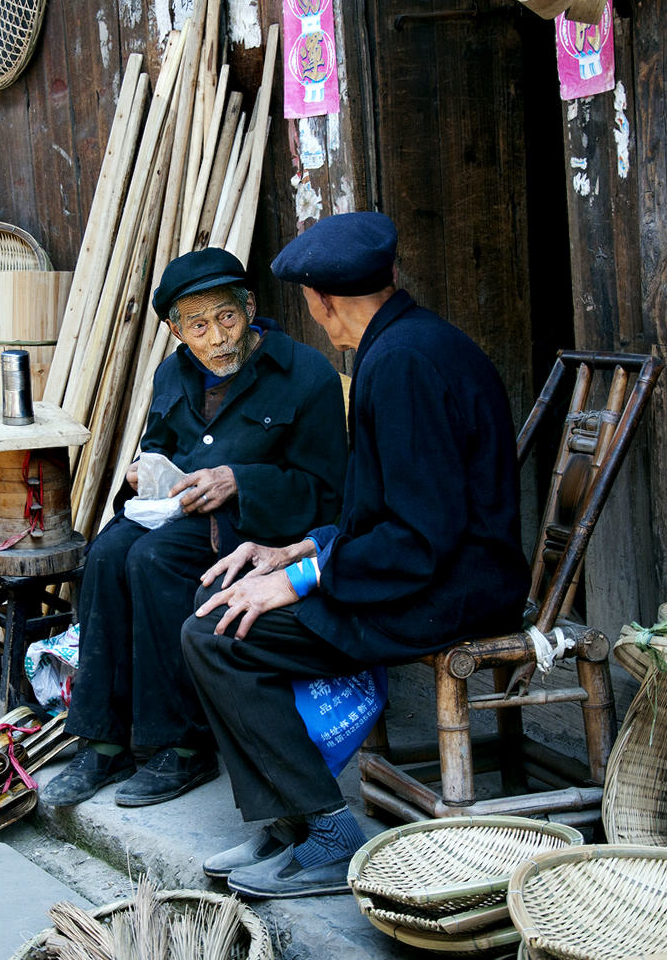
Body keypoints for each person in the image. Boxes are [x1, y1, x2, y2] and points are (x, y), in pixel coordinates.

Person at [181, 212, 530, 898]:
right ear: (390, 276)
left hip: (450, 588)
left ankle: (328, 835)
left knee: (217, 632)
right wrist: (296, 547)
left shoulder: (400, 362)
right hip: (427, 569)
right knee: (219, 603)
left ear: (319, 300)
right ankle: (293, 818)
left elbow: (417, 538)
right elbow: (390, 508)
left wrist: (304, 579)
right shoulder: (404, 341)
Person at [45, 247, 349, 809]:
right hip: (177, 514)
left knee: (151, 560)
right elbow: (160, 446)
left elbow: (327, 494)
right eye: (199, 325)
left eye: (228, 317)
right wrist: (145, 470)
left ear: (250, 307)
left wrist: (241, 481)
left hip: (251, 530)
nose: (218, 338)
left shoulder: (305, 375)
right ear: (175, 330)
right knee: (108, 553)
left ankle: (179, 746)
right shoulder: (173, 372)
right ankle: (103, 737)